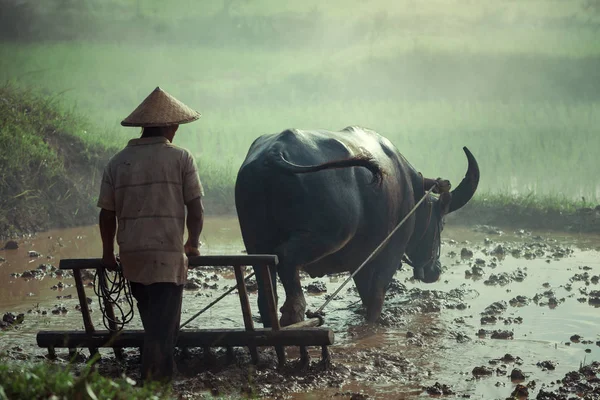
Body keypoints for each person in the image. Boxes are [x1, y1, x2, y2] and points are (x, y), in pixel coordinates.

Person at [97, 86, 205, 384]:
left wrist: (108, 253)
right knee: (164, 329)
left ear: (144, 126)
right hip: (168, 258)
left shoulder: (117, 162)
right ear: (171, 126)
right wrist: (192, 244)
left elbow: (106, 214)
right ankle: (156, 382)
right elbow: (195, 209)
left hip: (132, 258)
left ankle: (152, 381)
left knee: (153, 323)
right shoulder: (181, 158)